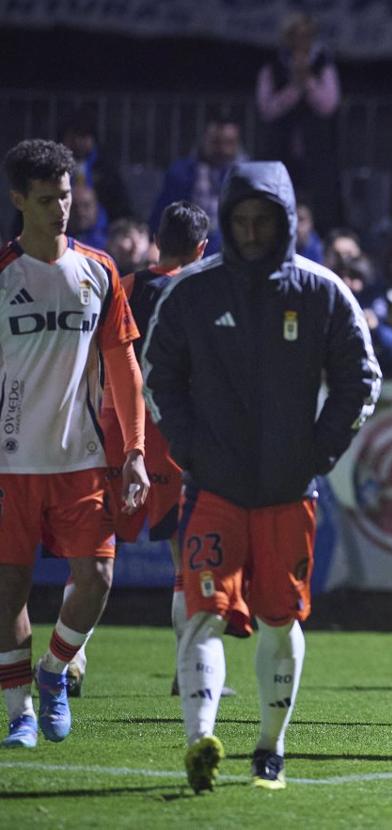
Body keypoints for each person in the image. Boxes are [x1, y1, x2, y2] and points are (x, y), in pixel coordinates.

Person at [141, 161, 380, 791]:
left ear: (284, 219)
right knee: (202, 615)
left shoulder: (321, 291)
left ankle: (269, 751)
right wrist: (190, 450)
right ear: (224, 220)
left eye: (262, 220)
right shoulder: (192, 292)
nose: (250, 231)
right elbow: (156, 372)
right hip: (213, 490)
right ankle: (199, 743)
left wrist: (319, 452)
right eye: (240, 220)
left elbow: (363, 378)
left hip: (287, 493)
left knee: (280, 622)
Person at [0, 139, 149, 749]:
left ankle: (56, 671)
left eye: (66, 194)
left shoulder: (99, 270)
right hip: (10, 464)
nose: (61, 207)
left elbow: (125, 368)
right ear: (18, 201)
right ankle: (20, 714)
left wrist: (134, 451)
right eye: (46, 198)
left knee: (97, 580)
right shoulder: (3, 275)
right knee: (8, 593)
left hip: (83, 460)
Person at [69, 202, 236, 701]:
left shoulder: (123, 284)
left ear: (155, 240)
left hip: (116, 425)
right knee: (184, 556)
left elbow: (97, 356)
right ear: (203, 248)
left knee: (94, 552)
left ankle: (71, 659)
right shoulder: (208, 293)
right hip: (174, 437)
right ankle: (188, 669)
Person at [256, 12, 342, 232]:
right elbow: (267, 109)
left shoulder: (323, 64)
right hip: (279, 150)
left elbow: (328, 104)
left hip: (318, 153)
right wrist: (294, 88)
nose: (301, 41)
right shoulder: (272, 67)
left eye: (306, 35)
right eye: (295, 35)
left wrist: (308, 82)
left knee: (321, 205)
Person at [150, 114, 245, 254]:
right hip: (187, 244)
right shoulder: (181, 172)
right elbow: (163, 212)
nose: (222, 149)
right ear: (205, 140)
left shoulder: (245, 175)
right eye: (216, 142)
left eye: (228, 143)